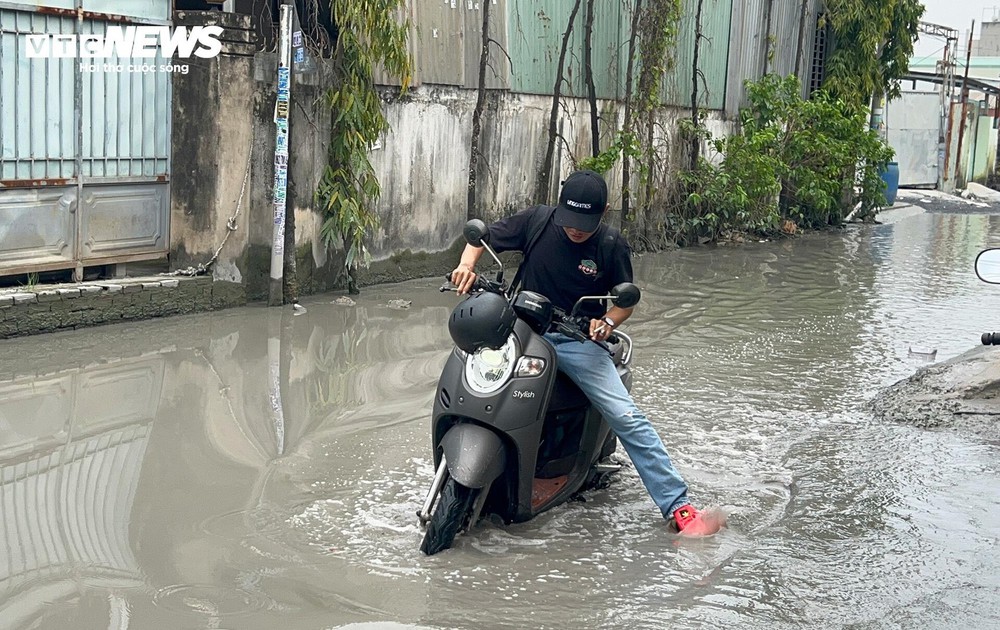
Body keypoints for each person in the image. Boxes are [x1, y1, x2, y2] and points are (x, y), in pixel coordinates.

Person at [450, 169, 724, 537]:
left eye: (584, 223)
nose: (575, 230)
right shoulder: (537, 220)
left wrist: (608, 322)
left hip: (576, 341)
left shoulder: (611, 246)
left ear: (604, 212)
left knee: (626, 416)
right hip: (519, 331)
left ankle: (679, 508)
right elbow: (480, 241)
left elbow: (623, 303)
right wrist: (466, 266)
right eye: (570, 220)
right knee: (466, 382)